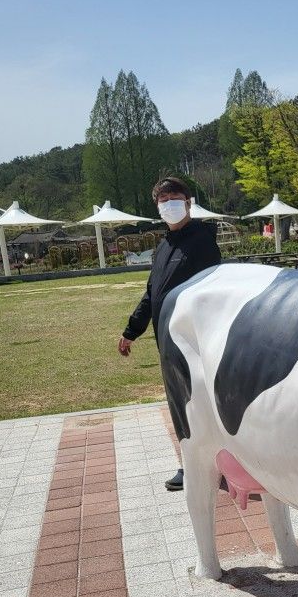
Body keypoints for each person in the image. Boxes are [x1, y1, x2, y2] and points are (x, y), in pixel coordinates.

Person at [118, 176, 221, 491]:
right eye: (164, 201)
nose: (170, 205)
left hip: (197, 340)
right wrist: (131, 331)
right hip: (169, 343)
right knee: (181, 407)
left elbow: (214, 289)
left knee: (206, 404)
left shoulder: (202, 241)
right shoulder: (163, 247)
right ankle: (192, 465)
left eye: (175, 198)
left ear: (188, 203)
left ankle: (219, 467)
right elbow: (152, 294)